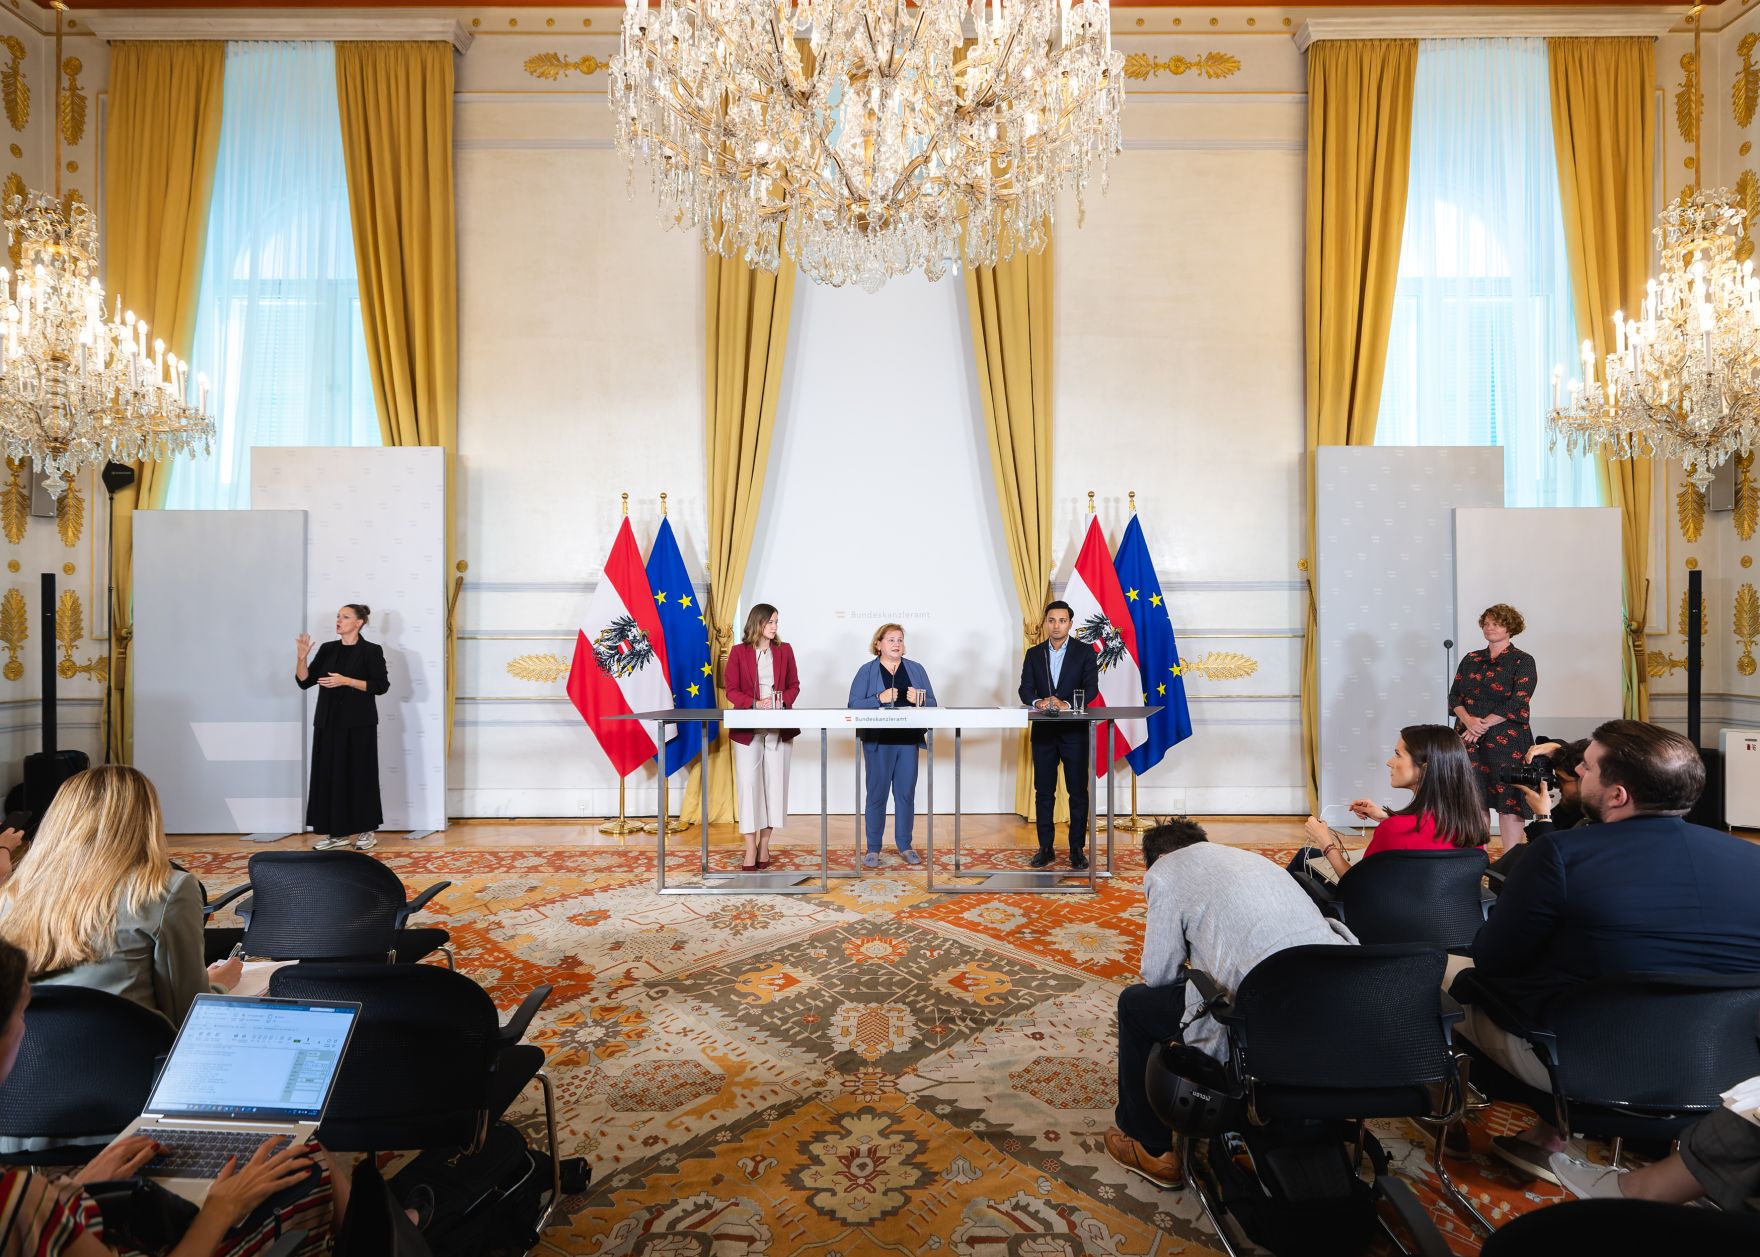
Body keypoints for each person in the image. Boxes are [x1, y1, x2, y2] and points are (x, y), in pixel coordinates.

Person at [1456, 719, 1760, 1182]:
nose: (1577, 767)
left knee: (1443, 979)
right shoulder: (1751, 859)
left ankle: (1454, 1128)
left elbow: (1494, 960)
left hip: (1586, 1064)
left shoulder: (1560, 853)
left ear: (1618, 795)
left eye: (1588, 766)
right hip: (1723, 1069)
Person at [0, 937, 343, 1256]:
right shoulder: (17, 1200)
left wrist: (76, 1188)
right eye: (22, 1013)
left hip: (71, 1198)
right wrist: (222, 1208)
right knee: (307, 1155)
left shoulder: (23, 1195)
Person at [1108, 818, 1356, 1190]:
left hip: (1259, 1018)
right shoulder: (1254, 860)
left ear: (1158, 857)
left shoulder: (1165, 871)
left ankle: (1151, 1147)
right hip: (1335, 1005)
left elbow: (1159, 975)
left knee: (1135, 1005)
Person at [0, 766, 240, 1028]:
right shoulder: (167, 889)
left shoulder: (12, 893)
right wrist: (219, 984)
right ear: (147, 819)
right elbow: (187, 1016)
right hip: (135, 1061)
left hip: (27, 1061)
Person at [1294, 724, 1487, 886]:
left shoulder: (1392, 830)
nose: (1389, 762)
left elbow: (1354, 885)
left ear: (1424, 768)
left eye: (1398, 755)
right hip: (1448, 922)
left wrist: (1325, 842)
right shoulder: (1472, 826)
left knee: (1303, 861)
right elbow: (1427, 837)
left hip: (1383, 925)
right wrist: (1386, 817)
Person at [296, 603, 389, 852]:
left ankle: (366, 831)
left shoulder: (371, 651)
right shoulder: (328, 649)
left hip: (360, 724)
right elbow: (305, 682)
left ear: (358, 623)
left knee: (360, 774)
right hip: (328, 722)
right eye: (337, 616)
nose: (338, 620)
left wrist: (345, 680)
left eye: (345, 617)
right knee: (328, 776)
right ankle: (336, 834)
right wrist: (301, 658)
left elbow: (380, 685)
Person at [1018, 600, 1101, 871]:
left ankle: (1077, 850)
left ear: (1070, 623)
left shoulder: (1085, 652)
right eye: (1051, 620)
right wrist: (1039, 701)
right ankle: (1046, 849)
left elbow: (1091, 689)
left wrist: (1065, 703)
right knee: (1044, 792)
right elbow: (1025, 690)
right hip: (1043, 732)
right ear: (1045, 623)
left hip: (1074, 732)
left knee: (1077, 792)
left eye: (1062, 620)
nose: (1056, 625)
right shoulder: (1034, 653)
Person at [847, 624, 937, 869]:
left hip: (908, 741)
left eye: (900, 640)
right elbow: (853, 704)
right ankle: (873, 848)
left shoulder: (916, 669)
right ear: (878, 644)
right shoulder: (866, 671)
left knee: (905, 795)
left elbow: (933, 703)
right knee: (877, 795)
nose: (896, 644)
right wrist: (879, 699)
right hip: (878, 743)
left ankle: (905, 846)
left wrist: (919, 700)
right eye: (890, 640)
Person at [1449, 603, 1537, 849]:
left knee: (1509, 799)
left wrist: (1481, 725)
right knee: (1474, 798)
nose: (1489, 628)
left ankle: (1508, 862)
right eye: (1486, 623)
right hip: (1468, 738)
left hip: (1507, 740)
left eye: (1496, 624)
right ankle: (1477, 860)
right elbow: (1454, 697)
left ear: (1510, 628)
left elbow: (1519, 700)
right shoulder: (1471, 659)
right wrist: (1468, 721)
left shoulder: (1523, 660)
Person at [724, 603, 800, 872]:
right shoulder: (738, 652)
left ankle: (765, 844)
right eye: (770, 622)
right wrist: (757, 703)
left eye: (777, 622)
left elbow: (794, 686)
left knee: (773, 788)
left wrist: (779, 702)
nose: (775, 627)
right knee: (749, 787)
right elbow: (731, 690)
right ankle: (749, 847)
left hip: (779, 729)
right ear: (757, 623)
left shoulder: (785, 650)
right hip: (747, 730)